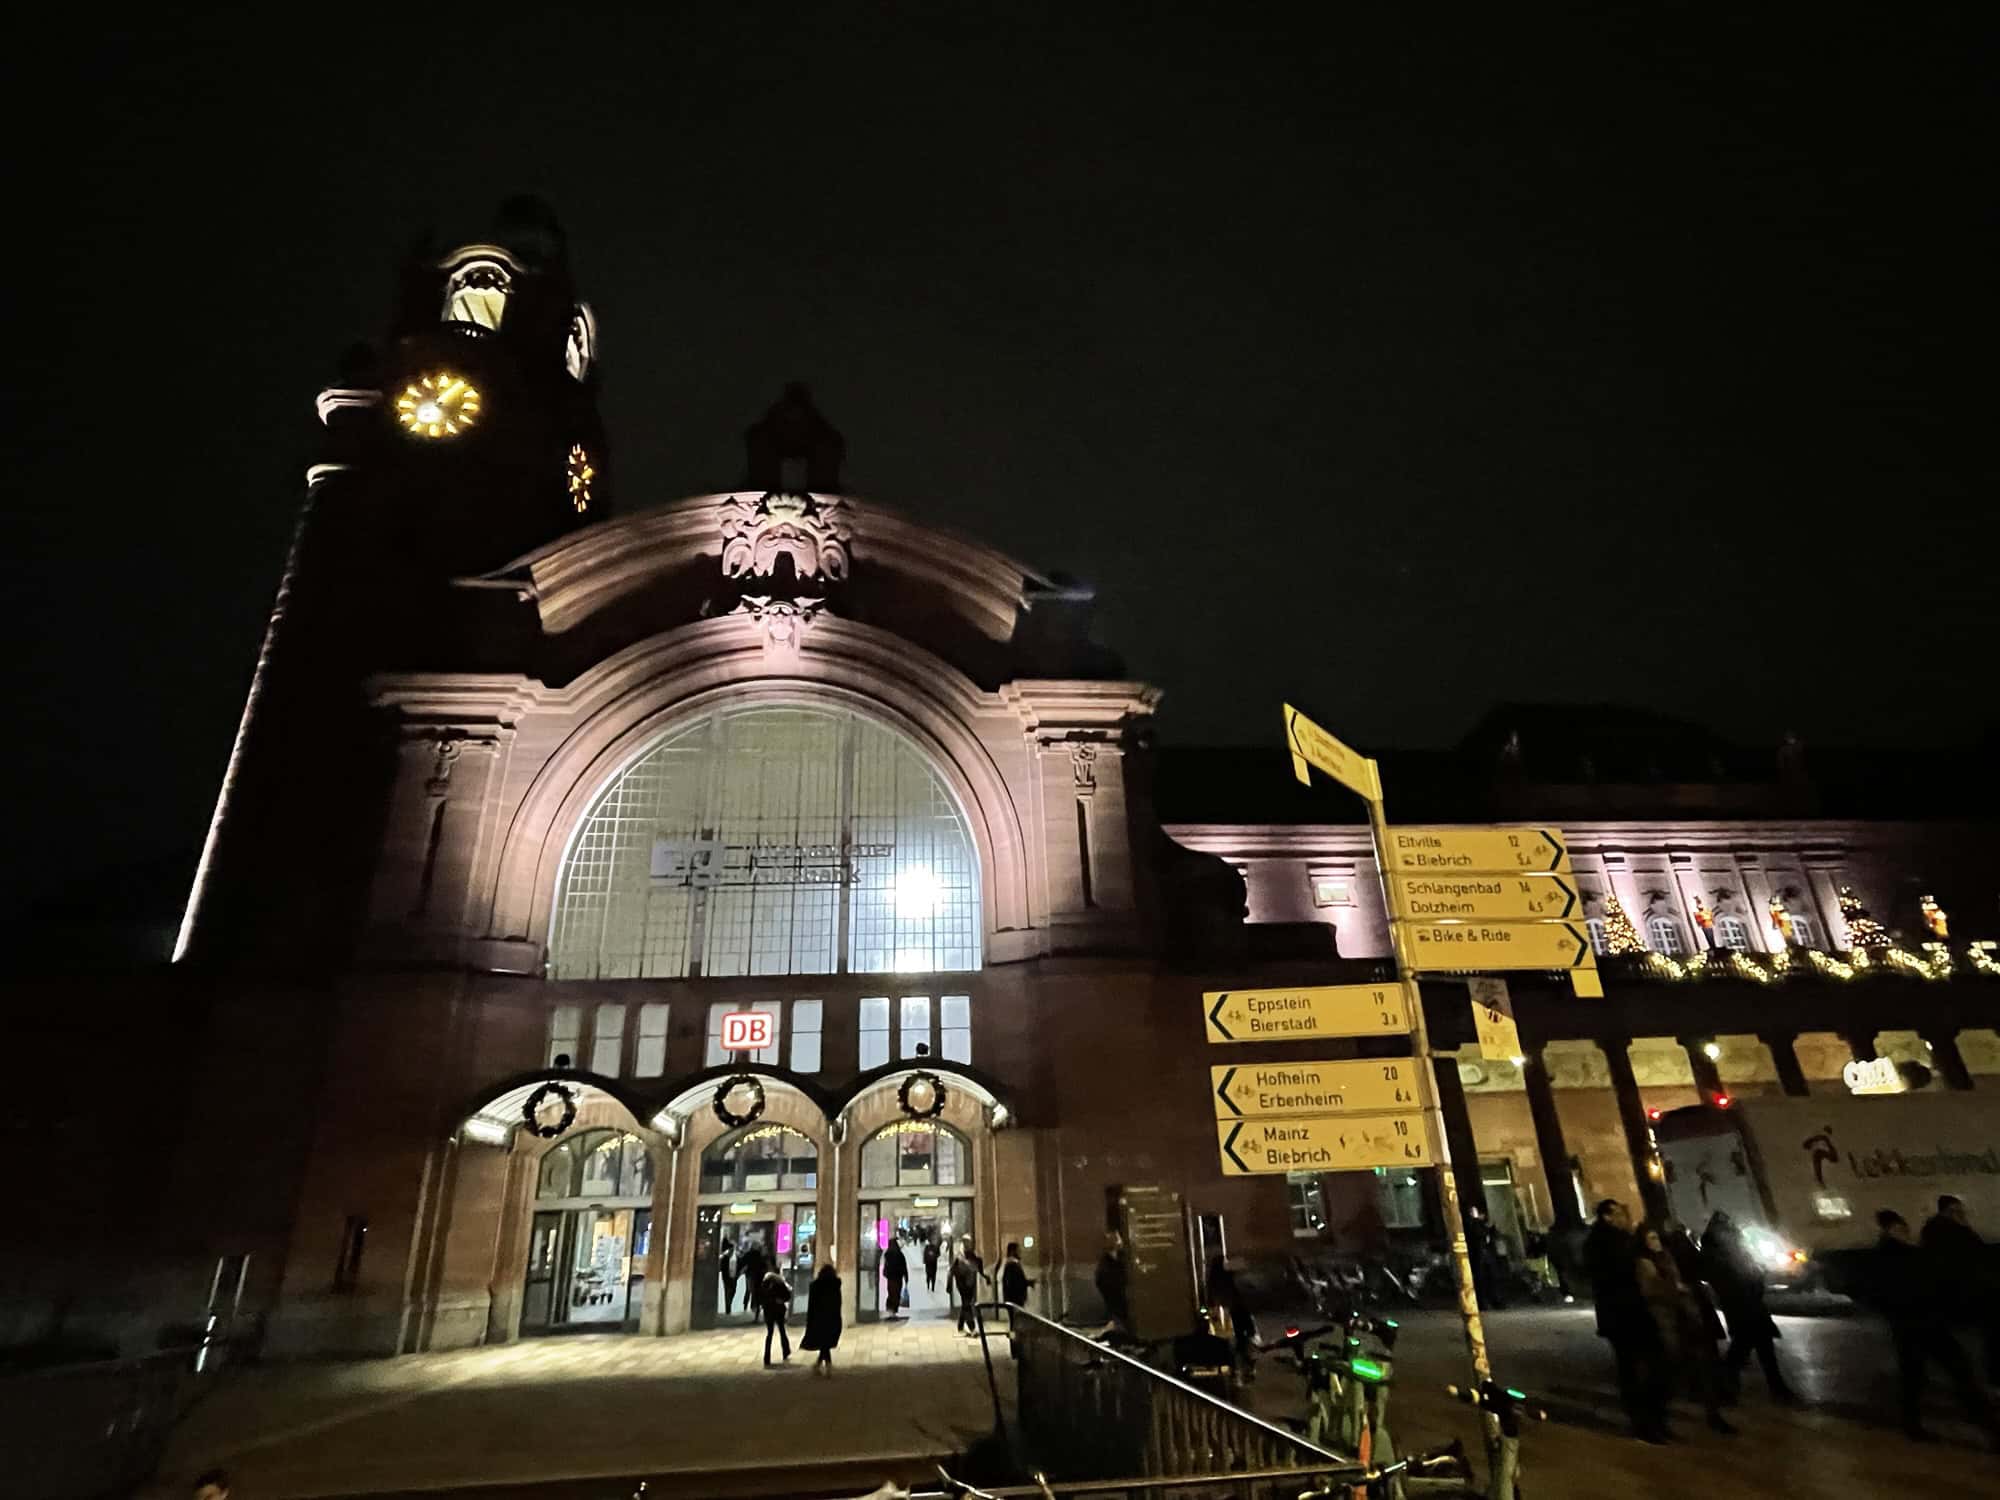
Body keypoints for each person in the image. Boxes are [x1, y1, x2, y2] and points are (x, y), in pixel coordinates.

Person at [1865, 1209, 1996, 1444]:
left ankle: (1981, 1423)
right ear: (1888, 1231)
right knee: (1931, 1375)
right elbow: (1885, 1294)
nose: (1904, 1232)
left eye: (1903, 1227)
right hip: (1916, 1326)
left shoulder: (1904, 1255)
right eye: (1898, 1229)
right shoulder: (1890, 1258)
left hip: (1921, 1324)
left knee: (1941, 1374)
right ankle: (1980, 1422)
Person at [1635, 1222, 1736, 1435]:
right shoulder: (1644, 1263)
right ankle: (1655, 1417)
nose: (1656, 1243)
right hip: (1666, 1320)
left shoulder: (1667, 1256)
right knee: (1670, 1370)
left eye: (1656, 1238)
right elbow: (1651, 1290)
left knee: (1704, 1365)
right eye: (1651, 1239)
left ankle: (1713, 1414)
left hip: (1686, 1317)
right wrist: (1676, 1289)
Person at [1583, 1199, 1668, 1443]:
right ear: (1607, 1217)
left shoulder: (1618, 1240)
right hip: (1622, 1312)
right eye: (1618, 1214)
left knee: (1645, 1365)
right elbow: (1614, 1275)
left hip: (1627, 1311)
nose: (1623, 1217)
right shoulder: (1605, 1243)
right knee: (1634, 1368)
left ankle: (1652, 1419)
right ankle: (1645, 1423)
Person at [1700, 1211, 1797, 1403]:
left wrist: (1756, 1277)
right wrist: (1750, 1279)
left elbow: (1751, 1271)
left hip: (1751, 1305)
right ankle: (1727, 1387)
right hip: (1741, 1306)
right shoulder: (1717, 1253)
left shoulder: (1733, 1248)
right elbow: (1725, 1280)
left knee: (1763, 1348)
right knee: (1741, 1349)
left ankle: (1776, 1388)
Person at [1921, 1195, 1998, 1385]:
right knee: (1991, 1331)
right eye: (1956, 1210)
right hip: (1966, 1290)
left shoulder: (1937, 1230)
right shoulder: (1951, 1232)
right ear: (1947, 1211)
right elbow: (1972, 1256)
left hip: (1965, 1288)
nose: (1961, 1214)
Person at [1206, 1254, 1256, 1380]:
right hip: (1233, 1311)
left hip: (1225, 1312)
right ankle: (1241, 1367)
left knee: (1231, 1344)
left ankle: (1234, 1367)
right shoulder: (1228, 1280)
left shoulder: (1215, 1282)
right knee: (1239, 1344)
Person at [801, 1261, 843, 1376]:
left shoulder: (815, 1286)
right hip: (832, 1318)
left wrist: (810, 1320)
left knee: (824, 1343)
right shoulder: (835, 1285)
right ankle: (820, 1365)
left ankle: (824, 1365)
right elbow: (838, 1303)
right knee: (825, 1343)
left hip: (819, 1319)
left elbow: (812, 1305)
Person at [1095, 1232, 1131, 1332]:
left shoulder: (1115, 1259)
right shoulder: (1107, 1266)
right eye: (1119, 1241)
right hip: (1116, 1296)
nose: (1121, 1243)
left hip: (1117, 1296)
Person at [759, 1263, 793, 1366]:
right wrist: (780, 1300)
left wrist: (765, 1305)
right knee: (782, 1331)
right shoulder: (780, 1281)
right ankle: (786, 1351)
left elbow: (761, 1296)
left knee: (769, 1334)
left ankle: (767, 1357)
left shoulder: (764, 1281)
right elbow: (788, 1296)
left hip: (768, 1310)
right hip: (779, 1310)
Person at [739, 1238, 769, 1322]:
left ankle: (753, 1308)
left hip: (752, 1275)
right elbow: (765, 1265)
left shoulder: (749, 1254)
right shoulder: (761, 1255)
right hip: (760, 1276)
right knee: (759, 1293)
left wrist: (741, 1271)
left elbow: (742, 1262)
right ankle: (757, 1310)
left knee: (753, 1292)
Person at [1002, 1242, 1035, 1309]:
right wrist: (1027, 1283)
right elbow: (1014, 1282)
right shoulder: (1012, 1265)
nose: (1020, 1252)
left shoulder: (1013, 1264)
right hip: (1015, 1299)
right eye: (1018, 1250)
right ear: (1012, 1251)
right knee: (1016, 1317)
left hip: (1014, 1299)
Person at [883, 1236, 909, 1319]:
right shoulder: (900, 1254)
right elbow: (904, 1266)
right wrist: (906, 1277)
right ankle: (894, 1310)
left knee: (891, 1293)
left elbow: (886, 1267)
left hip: (891, 1278)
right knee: (896, 1294)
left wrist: (886, 1274)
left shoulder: (887, 1254)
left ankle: (890, 1310)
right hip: (898, 1278)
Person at [719, 1237, 740, 1317]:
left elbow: (739, 1265)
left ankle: (729, 1303)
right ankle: (728, 1308)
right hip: (726, 1277)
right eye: (731, 1249)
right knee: (727, 1292)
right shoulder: (725, 1257)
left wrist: (738, 1273)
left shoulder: (736, 1257)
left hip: (734, 1277)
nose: (732, 1250)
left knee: (733, 1291)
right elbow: (722, 1267)